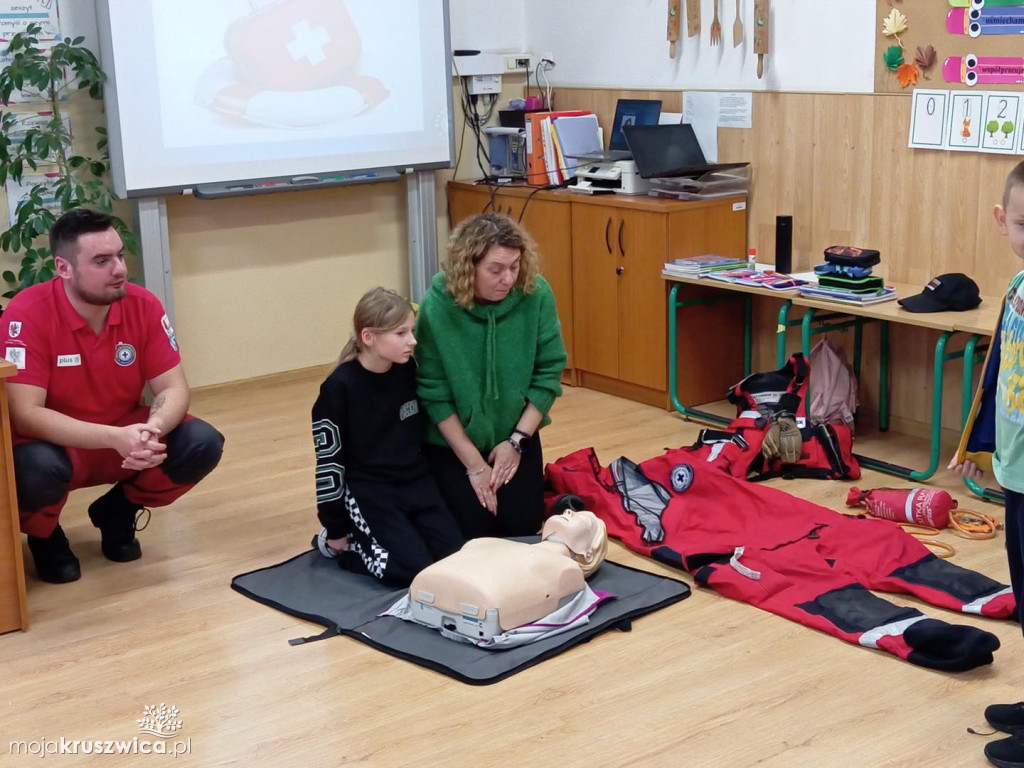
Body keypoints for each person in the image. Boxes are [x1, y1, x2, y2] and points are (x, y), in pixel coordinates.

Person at [2, 208, 224, 584]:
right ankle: (44, 536)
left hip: (125, 435)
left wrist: (152, 428)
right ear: (63, 267)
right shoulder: (28, 312)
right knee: (30, 467)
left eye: (120, 255)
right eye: (102, 261)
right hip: (56, 444)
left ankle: (118, 511)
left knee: (202, 442)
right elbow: (25, 414)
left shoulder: (143, 304)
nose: (119, 269)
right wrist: (114, 439)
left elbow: (173, 388)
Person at [414, 212, 568, 539]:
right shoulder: (436, 305)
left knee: (522, 529)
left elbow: (549, 373)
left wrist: (516, 441)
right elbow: (433, 393)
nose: (508, 278)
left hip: (515, 438)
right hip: (455, 444)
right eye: (495, 270)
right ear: (467, 267)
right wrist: (475, 465)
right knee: (467, 536)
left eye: (514, 267)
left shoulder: (536, 294)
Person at [311, 287, 464, 587]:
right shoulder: (338, 388)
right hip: (371, 489)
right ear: (369, 337)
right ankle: (342, 543)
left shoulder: (407, 371)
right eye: (401, 333)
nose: (413, 341)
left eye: (412, 331)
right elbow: (329, 464)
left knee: (456, 559)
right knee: (411, 572)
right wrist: (335, 525)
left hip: (414, 481)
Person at [949, 160, 1024, 767]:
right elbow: (998, 378)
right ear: (1004, 221)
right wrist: (982, 451)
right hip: (1018, 472)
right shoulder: (1018, 289)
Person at [383, 507, 609, 648]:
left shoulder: (566, 571)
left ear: (588, 552)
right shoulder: (490, 543)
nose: (568, 511)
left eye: (581, 519)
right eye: (569, 511)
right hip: (440, 590)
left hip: (468, 600)